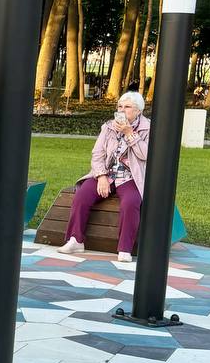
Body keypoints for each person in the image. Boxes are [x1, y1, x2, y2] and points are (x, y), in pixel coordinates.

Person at [59, 91, 150, 263]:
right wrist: (100, 176)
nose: (122, 110)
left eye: (127, 107)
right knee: (82, 194)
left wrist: (130, 133)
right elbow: (97, 154)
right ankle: (75, 240)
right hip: (107, 173)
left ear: (138, 110)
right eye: (120, 106)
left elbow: (145, 155)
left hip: (130, 176)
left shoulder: (148, 128)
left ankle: (124, 249)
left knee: (131, 202)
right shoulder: (108, 126)